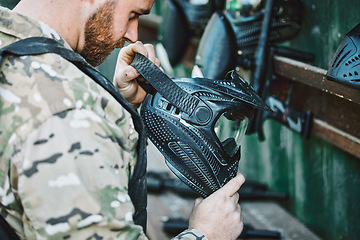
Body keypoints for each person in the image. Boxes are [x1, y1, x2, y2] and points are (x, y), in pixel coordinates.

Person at [0, 0, 245, 239]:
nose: (132, 34)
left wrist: (118, 105)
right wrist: (206, 233)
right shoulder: (68, 112)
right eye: (133, 14)